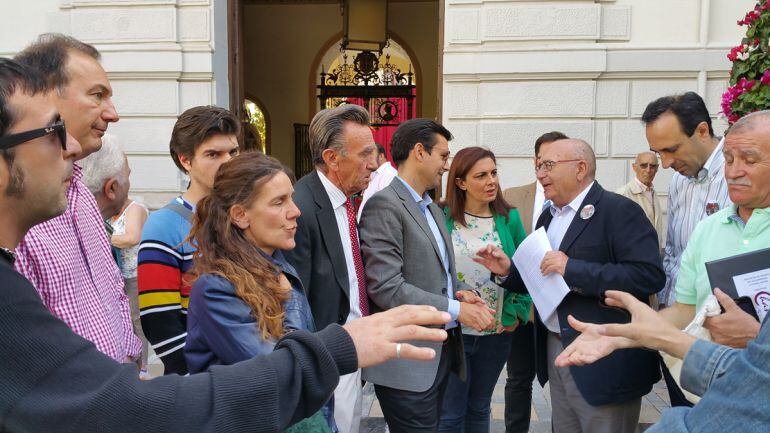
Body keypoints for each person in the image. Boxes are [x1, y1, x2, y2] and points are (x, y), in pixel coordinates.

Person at [0, 57, 452, 432]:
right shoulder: (184, 248)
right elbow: (165, 336)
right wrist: (334, 348)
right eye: (53, 131)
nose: (74, 148)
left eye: (233, 152)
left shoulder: (273, 263)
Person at [476, 138, 665, 433]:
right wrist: (507, 272)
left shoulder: (619, 211)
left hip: (605, 356)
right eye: (539, 166)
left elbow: (648, 276)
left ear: (580, 168)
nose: (540, 174)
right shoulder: (549, 215)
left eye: (548, 166)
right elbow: (544, 278)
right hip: (556, 348)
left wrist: (572, 268)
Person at [359, 118, 496, 433]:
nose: (446, 166)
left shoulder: (433, 209)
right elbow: (387, 288)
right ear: (419, 152)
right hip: (406, 362)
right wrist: (459, 310)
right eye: (443, 156)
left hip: (440, 354)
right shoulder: (385, 205)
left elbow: (441, 274)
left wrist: (461, 291)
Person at [185, 151, 337, 432]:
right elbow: (280, 371)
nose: (295, 211)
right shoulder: (215, 288)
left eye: (291, 197)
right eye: (279, 202)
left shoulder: (277, 266)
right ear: (241, 215)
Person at [12, 33, 140, 363]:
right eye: (97, 96)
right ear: (43, 96)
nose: (113, 115)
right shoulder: (19, 209)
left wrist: (129, 356)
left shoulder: (80, 192)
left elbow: (111, 290)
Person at [282, 104, 377, 433]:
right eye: (365, 154)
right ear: (332, 158)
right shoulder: (301, 207)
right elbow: (296, 300)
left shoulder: (346, 200)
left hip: (350, 351)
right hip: (325, 357)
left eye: (374, 152)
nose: (374, 164)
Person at [554, 289, 769, 433]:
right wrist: (629, 335)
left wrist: (755, 336)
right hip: (693, 378)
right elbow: (752, 372)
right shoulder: (706, 230)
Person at [138, 105, 240, 375]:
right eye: (213, 154)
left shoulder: (244, 217)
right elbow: (160, 323)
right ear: (186, 160)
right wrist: (204, 381)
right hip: (202, 384)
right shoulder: (163, 227)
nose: (227, 162)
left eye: (232, 151)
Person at [438, 146, 532, 433]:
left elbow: (524, 270)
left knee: (480, 406)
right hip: (453, 331)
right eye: (481, 175)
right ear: (460, 182)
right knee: (451, 412)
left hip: (495, 333)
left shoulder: (509, 218)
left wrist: (515, 314)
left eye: (493, 173)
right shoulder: (441, 215)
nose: (491, 181)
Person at [500, 130, 566, 433]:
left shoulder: (575, 203)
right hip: (524, 308)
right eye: (543, 163)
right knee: (518, 378)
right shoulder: (512, 198)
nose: (546, 170)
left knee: (565, 383)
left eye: (554, 163)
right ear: (535, 162)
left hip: (563, 309)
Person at [643, 92, 731, 307]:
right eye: (658, 153)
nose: (664, 163)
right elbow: (673, 252)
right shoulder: (678, 181)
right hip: (676, 314)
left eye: (671, 150)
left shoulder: (737, 174)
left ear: (702, 131)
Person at [80, 135, 151, 375]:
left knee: (136, 320)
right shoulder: (86, 224)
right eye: (128, 176)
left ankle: (143, 365)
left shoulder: (134, 208)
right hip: (103, 378)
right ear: (111, 188)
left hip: (133, 275)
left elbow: (132, 237)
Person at [615, 151, 664, 252]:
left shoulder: (654, 193)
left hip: (654, 259)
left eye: (652, 166)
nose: (648, 170)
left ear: (657, 169)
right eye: (643, 165)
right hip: (635, 260)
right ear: (634, 167)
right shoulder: (623, 194)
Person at [358, 143, 398, 220]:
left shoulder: (389, 174)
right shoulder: (375, 174)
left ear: (381, 156)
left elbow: (387, 209)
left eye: (371, 156)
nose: (368, 160)